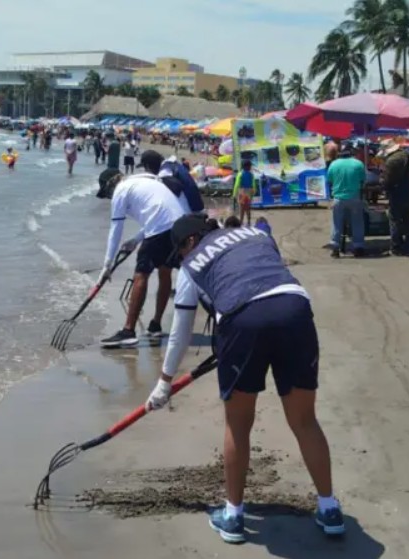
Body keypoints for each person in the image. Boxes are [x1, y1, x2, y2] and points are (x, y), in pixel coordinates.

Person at [145, 214, 345, 544]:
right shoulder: (253, 234)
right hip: (294, 307)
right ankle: (329, 509)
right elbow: (262, 278)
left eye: (179, 251)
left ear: (190, 242)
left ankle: (234, 517)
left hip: (243, 320)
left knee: (238, 425)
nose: (181, 259)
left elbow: (181, 332)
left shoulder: (194, 261)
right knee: (305, 420)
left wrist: (164, 382)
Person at [95, 151, 185, 348]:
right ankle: (155, 326)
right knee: (164, 270)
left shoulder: (121, 190)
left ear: (110, 185)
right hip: (179, 227)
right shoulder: (146, 181)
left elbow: (116, 228)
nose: (109, 198)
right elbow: (159, 214)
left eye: (107, 194)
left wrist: (107, 264)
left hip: (162, 229)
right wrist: (136, 239)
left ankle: (128, 331)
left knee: (141, 274)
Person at [326, 148, 367, 259]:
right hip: (355, 198)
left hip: (338, 198)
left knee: (337, 223)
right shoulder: (358, 163)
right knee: (357, 222)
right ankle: (358, 247)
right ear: (351, 155)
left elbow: (329, 180)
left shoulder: (334, 164)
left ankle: (335, 247)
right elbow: (363, 180)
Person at [383, 146, 409, 256]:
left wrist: (384, 187)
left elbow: (388, 181)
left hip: (397, 194)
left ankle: (396, 247)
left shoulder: (392, 160)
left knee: (395, 220)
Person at [232, 159, 259, 227]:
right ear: (249, 166)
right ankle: (249, 221)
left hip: (242, 192)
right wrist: (254, 192)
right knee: (248, 208)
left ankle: (241, 222)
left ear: (242, 166)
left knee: (242, 208)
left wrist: (234, 194)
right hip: (249, 192)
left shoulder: (240, 174)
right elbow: (253, 184)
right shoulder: (251, 174)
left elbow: (237, 184)